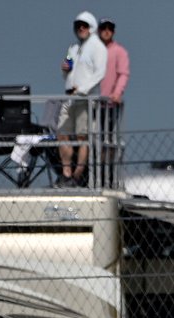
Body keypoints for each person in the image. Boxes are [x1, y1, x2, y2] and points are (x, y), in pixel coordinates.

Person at [56, 11, 107, 188]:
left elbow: (100, 73)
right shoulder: (73, 48)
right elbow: (66, 69)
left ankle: (78, 174)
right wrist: (64, 68)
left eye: (84, 25)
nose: (80, 29)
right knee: (62, 133)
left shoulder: (97, 47)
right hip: (69, 96)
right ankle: (66, 173)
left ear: (91, 27)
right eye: (78, 26)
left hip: (85, 98)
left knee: (82, 136)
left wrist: (83, 90)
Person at [97, 18, 129, 187]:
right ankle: (93, 175)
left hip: (109, 106)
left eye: (110, 28)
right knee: (93, 140)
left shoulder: (119, 51)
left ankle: (107, 177)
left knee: (108, 141)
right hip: (92, 105)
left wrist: (117, 93)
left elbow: (123, 73)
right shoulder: (92, 51)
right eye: (103, 28)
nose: (107, 31)